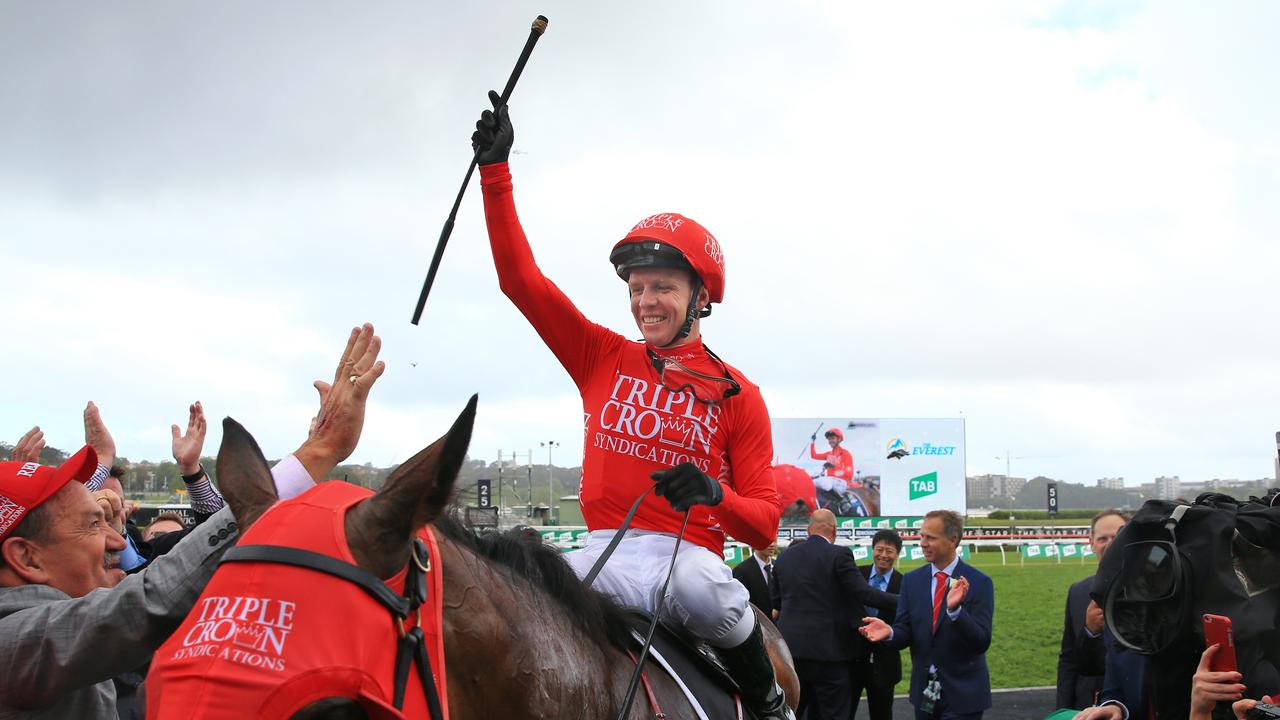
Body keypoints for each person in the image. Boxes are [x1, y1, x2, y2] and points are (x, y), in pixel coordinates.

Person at [472, 92, 791, 719]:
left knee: (711, 596)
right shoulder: (599, 355)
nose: (645, 301)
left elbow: (765, 527)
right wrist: (495, 173)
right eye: (638, 288)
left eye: (663, 288)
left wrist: (713, 494)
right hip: (604, 549)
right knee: (527, 594)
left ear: (700, 298)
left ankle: (772, 704)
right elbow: (520, 280)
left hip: (690, 560)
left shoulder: (740, 396)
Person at [0, 323, 386, 719]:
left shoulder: (52, 638)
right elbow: (156, 596)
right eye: (92, 525)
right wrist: (320, 450)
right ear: (26, 558)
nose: (119, 541)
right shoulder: (14, 644)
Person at [860, 509, 994, 719]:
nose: (922, 543)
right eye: (922, 536)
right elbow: (905, 630)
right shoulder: (912, 581)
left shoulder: (979, 582)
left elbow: (982, 641)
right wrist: (890, 632)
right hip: (924, 693)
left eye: (930, 537)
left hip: (963, 695)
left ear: (952, 540)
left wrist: (956, 611)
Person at [771, 509, 897, 720]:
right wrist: (907, 600)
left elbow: (776, 603)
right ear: (835, 530)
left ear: (809, 529)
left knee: (791, 712)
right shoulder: (839, 554)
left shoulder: (784, 557)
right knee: (833, 713)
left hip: (791, 653)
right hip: (829, 655)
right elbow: (863, 593)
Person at [1057, 510, 1127, 710]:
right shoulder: (1078, 591)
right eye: (1102, 538)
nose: (1109, 543)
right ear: (1092, 543)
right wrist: (1062, 708)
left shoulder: (1151, 592)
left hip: (1130, 706)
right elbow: (1068, 659)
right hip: (1085, 704)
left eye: (1116, 537)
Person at [851, 529, 906, 720]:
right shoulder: (856, 575)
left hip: (884, 664)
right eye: (879, 549)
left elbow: (905, 625)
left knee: (882, 715)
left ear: (897, 554)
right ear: (872, 549)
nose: (883, 555)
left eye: (889, 551)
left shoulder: (905, 583)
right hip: (852, 660)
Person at [732, 539, 780, 620]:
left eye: (774, 541)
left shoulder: (779, 566)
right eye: (767, 541)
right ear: (755, 543)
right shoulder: (741, 570)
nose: (772, 544)